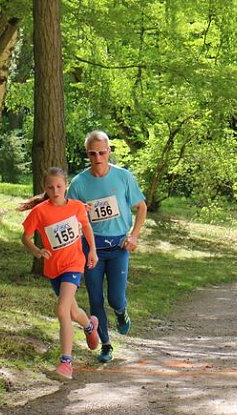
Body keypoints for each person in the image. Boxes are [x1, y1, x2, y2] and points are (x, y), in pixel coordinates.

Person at [68, 130, 148, 363]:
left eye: (102, 153)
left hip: (118, 247)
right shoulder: (79, 183)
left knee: (115, 298)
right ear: (87, 154)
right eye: (92, 154)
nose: (98, 158)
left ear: (109, 152)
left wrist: (134, 236)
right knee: (95, 299)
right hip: (92, 249)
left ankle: (121, 313)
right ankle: (106, 345)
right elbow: (70, 217)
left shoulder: (123, 177)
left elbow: (142, 207)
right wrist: (79, 212)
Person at [19, 167, 100, 380]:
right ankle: (90, 325)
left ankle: (66, 363)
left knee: (62, 310)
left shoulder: (76, 207)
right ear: (45, 188)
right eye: (50, 187)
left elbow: (87, 227)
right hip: (53, 268)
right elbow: (25, 237)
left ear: (66, 186)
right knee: (72, 312)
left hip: (73, 265)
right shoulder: (40, 211)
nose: (55, 191)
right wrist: (37, 251)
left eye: (59, 186)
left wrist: (92, 250)